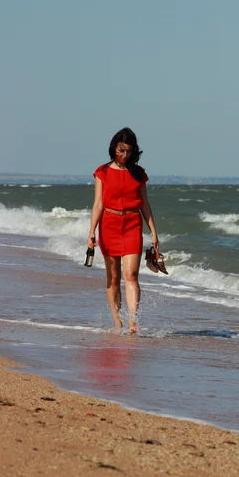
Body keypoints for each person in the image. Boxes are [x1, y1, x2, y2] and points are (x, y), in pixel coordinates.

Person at [87, 127, 159, 333]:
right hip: (109, 224)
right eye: (121, 150)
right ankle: (117, 320)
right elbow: (98, 204)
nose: (124, 155)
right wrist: (91, 232)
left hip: (132, 224)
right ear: (114, 149)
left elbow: (145, 204)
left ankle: (133, 322)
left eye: (128, 151)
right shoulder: (102, 172)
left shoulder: (138, 173)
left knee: (131, 274)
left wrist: (153, 232)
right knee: (113, 277)